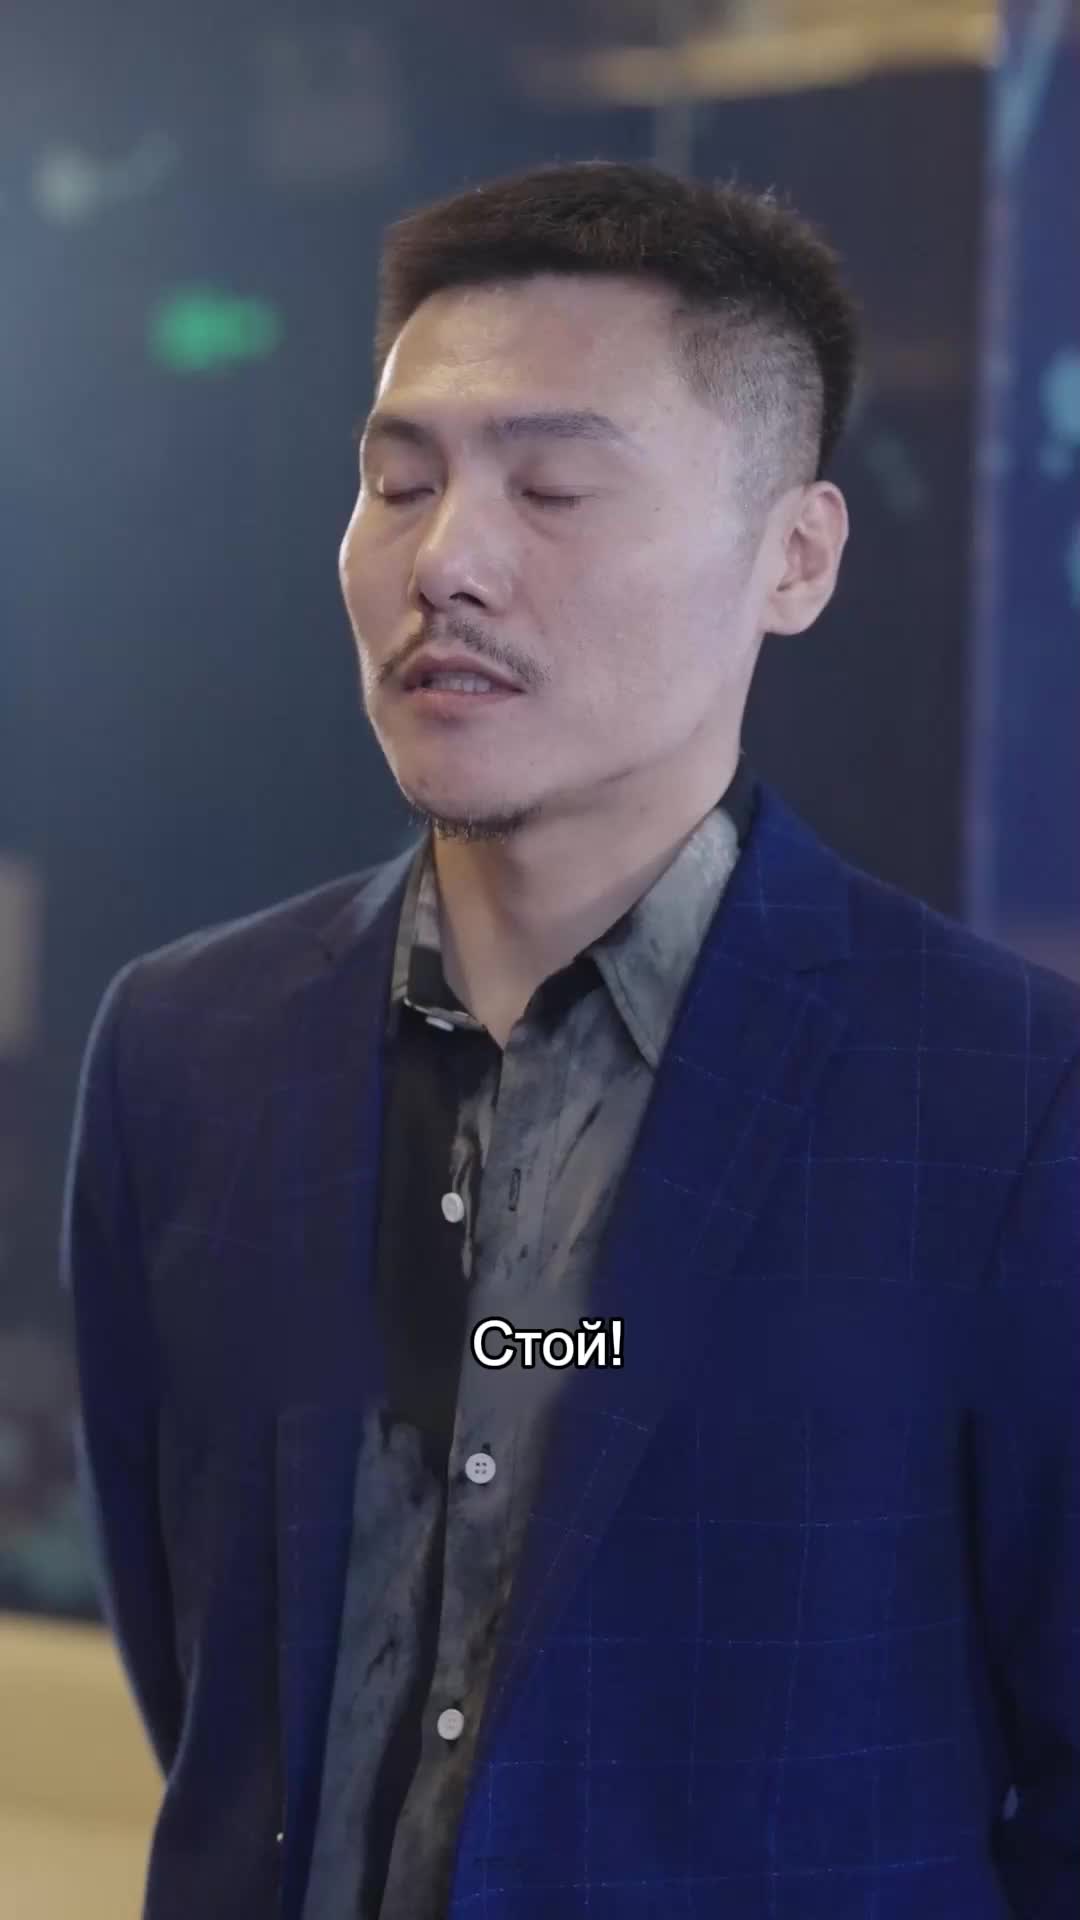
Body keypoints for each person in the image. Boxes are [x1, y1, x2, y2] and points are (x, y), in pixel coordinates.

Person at [62, 160, 1079, 1920]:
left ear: (795, 557)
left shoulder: (1006, 1097)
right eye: (400, 482)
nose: (446, 561)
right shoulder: (186, 1052)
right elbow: (213, 1691)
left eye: (553, 488)